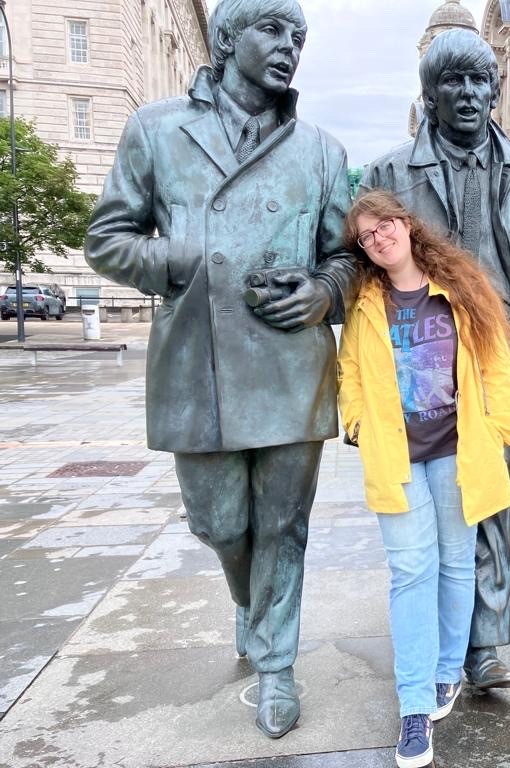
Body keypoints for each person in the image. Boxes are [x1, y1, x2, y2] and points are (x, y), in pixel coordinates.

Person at [85, 0, 352, 738]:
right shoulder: (158, 130)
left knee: (284, 526)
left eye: (299, 37)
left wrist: (325, 291)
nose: (289, 47)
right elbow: (107, 238)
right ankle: (251, 600)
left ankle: (275, 667)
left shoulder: (322, 152)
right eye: (273, 31)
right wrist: (177, 259)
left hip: (293, 370)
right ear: (227, 38)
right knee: (219, 522)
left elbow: (347, 254)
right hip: (195, 367)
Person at [360, 27, 510, 689]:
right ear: (431, 94)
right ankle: (437, 645)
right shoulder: (391, 173)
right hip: (415, 375)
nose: (469, 93)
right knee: (424, 532)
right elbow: (358, 263)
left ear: (496, 91)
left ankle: (482, 648)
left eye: (480, 81)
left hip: (492, 370)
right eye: (454, 82)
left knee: (489, 507)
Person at [339, 190, 510, 768]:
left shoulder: (461, 288)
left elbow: (496, 363)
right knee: (410, 570)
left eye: (385, 226)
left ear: (407, 226)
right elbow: (347, 370)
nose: (379, 239)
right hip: (397, 456)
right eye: (367, 236)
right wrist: (358, 422)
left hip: (457, 451)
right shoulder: (365, 300)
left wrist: (498, 429)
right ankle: (414, 704)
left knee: (454, 562)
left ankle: (447, 671)